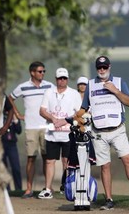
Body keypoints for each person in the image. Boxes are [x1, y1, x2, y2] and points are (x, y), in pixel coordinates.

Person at [81, 55, 129, 210]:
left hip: (117, 129)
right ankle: (109, 199)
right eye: (99, 67)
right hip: (99, 132)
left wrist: (115, 91)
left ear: (109, 67)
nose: (102, 70)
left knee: (128, 160)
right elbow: (84, 108)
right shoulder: (90, 85)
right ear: (96, 69)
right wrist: (72, 120)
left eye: (104, 67)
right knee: (105, 166)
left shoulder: (118, 82)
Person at [8, 61, 54, 199]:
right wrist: (17, 114)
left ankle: (48, 188)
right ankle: (29, 189)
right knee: (31, 158)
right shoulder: (23, 87)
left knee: (48, 158)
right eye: (40, 71)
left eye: (44, 71)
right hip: (31, 127)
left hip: (46, 126)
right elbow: (10, 98)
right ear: (32, 72)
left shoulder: (49, 86)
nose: (42, 73)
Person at [38, 68, 81, 199]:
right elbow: (42, 110)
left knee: (66, 162)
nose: (62, 81)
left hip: (68, 133)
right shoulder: (49, 92)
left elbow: (79, 113)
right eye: (60, 78)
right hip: (52, 133)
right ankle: (47, 189)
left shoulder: (74, 94)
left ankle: (67, 187)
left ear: (67, 79)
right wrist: (53, 119)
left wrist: (64, 121)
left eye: (64, 78)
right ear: (56, 79)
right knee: (50, 161)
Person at [1, 113, 22, 191]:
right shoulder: (0, 117)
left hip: (12, 144)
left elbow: (19, 130)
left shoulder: (14, 116)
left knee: (16, 167)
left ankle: (18, 189)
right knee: (3, 168)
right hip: (1, 144)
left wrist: (15, 119)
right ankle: (7, 189)